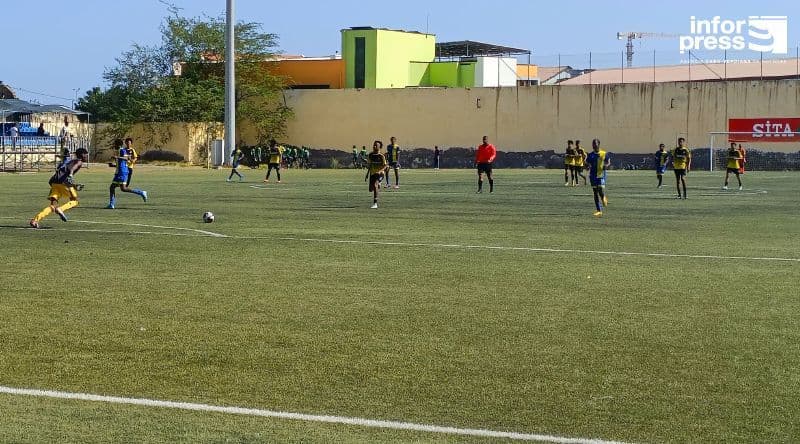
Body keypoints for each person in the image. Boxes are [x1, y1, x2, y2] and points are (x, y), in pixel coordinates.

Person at [29, 147, 89, 228]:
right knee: (74, 201)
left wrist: (74, 186)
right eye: (86, 155)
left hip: (54, 182)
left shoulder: (69, 161)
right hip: (63, 182)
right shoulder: (79, 162)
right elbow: (73, 168)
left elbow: (62, 173)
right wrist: (71, 175)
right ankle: (61, 209)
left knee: (53, 205)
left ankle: (35, 220)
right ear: (82, 155)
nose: (87, 157)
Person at [107, 138, 148, 209]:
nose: (114, 145)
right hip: (119, 171)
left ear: (118, 145)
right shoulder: (118, 151)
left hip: (122, 172)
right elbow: (120, 163)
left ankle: (141, 192)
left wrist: (117, 157)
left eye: (115, 144)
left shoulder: (122, 150)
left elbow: (127, 158)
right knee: (114, 187)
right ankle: (111, 204)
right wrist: (113, 165)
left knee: (122, 188)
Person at [585, 138, 610, 217]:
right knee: (595, 192)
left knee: (600, 190)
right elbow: (587, 164)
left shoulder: (603, 153)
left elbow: (608, 161)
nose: (593, 145)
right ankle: (599, 210)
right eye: (593, 144)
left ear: (598, 144)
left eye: (595, 143)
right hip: (593, 175)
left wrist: (606, 166)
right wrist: (587, 166)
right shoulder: (590, 155)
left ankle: (603, 197)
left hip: (601, 174)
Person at [366, 140, 387, 209]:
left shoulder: (381, 156)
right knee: (370, 189)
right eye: (374, 145)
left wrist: (380, 171)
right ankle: (378, 184)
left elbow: (385, 166)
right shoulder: (370, 155)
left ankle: (375, 203)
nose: (374, 146)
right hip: (372, 173)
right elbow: (369, 165)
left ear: (379, 147)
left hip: (379, 174)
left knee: (375, 185)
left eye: (376, 145)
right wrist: (367, 174)